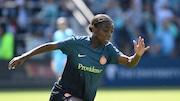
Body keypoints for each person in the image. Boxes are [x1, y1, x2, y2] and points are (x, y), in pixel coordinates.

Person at [8, 14, 150, 101]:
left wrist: (137, 55)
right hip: (62, 94)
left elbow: (130, 63)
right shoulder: (76, 43)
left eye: (111, 32)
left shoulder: (109, 50)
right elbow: (50, 46)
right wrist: (23, 56)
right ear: (94, 29)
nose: (109, 34)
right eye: (105, 30)